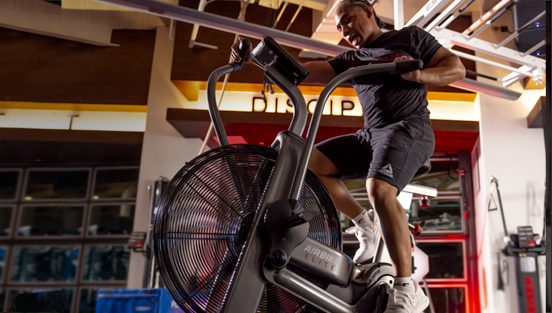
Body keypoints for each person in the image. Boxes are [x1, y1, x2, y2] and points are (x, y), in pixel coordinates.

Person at [232, 0, 465, 312]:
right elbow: (301, 73)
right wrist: (254, 60)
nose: (344, 31)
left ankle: (407, 288)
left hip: (409, 128)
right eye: (339, 28)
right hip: (370, 134)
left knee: (379, 189)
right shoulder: (351, 59)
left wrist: (420, 76)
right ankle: (364, 223)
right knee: (308, 166)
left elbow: (455, 68)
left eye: (347, 20)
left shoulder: (410, 37)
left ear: (367, 10)